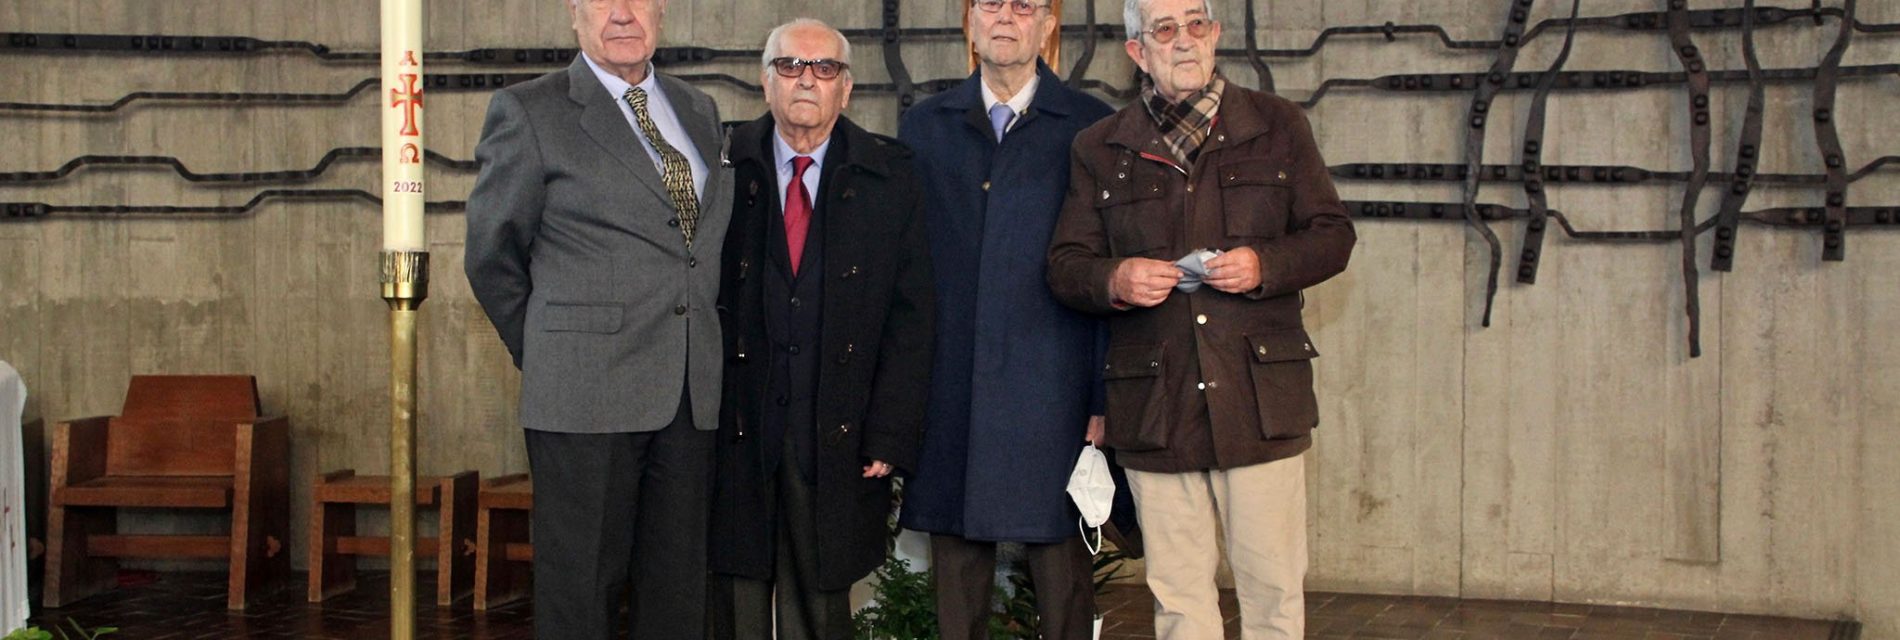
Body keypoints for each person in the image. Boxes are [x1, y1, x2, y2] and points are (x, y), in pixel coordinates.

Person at [1045, 0, 1356, 637]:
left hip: (1259, 400)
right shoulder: (1098, 147)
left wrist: (1265, 264)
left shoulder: (1279, 125)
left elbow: (1332, 236)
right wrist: (1116, 279)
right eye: (1164, 29)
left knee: (1274, 594)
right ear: (1138, 51)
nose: (1183, 40)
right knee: (1180, 602)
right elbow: (1066, 266)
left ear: (1214, 34)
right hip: (1156, 407)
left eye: (1195, 24)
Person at [462, 0, 730, 637]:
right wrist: (553, 347)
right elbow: (491, 255)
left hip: (689, 394)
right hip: (584, 395)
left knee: (678, 593)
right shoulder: (530, 111)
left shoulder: (698, 108)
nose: (623, 14)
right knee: (581, 593)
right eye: (604, 0)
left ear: (661, 13)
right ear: (575, 14)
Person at [893, 1, 1117, 638]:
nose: (1006, 17)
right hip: (951, 387)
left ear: (1048, 24)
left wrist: (1103, 397)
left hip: (1056, 389)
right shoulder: (924, 127)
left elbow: (1108, 270)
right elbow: (904, 270)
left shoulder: (1092, 125)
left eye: (1024, 5)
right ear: (969, 21)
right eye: (990, 2)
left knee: (1062, 578)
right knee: (958, 578)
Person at [706, 18, 935, 640]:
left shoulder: (892, 177)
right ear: (765, 81)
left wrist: (890, 430)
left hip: (837, 430)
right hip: (737, 426)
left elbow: (913, 317)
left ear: (847, 88)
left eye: (824, 68)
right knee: (733, 602)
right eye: (790, 66)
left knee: (821, 608)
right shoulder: (722, 165)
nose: (806, 80)